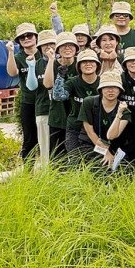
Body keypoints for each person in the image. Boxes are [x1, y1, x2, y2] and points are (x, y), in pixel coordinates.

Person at [76, 71, 133, 168]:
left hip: (113, 145)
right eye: (107, 87)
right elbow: (90, 131)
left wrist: (119, 114)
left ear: (120, 90)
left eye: (115, 87)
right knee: (96, 165)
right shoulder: (88, 102)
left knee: (120, 168)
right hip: (91, 142)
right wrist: (105, 152)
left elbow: (111, 136)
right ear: (101, 89)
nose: (111, 90)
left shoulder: (124, 109)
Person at [52, 49, 100, 159]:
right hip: (75, 127)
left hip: (96, 129)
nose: (88, 64)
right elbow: (58, 96)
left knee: (96, 161)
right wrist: (60, 77)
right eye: (84, 62)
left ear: (97, 65)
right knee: (75, 159)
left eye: (91, 61)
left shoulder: (102, 82)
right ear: (79, 66)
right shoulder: (73, 81)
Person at [6, 22, 41, 162]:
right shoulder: (19, 57)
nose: (26, 38)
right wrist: (10, 52)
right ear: (19, 41)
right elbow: (12, 72)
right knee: (29, 138)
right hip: (28, 102)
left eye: (29, 35)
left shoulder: (43, 53)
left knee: (47, 136)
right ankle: (28, 169)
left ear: (36, 37)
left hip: (46, 102)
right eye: (22, 37)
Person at [43, 32, 80, 161]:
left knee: (77, 155)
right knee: (57, 156)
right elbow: (48, 84)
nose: (67, 48)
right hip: (58, 114)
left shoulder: (81, 64)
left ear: (76, 48)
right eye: (64, 45)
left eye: (71, 45)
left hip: (76, 115)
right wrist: (51, 60)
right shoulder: (53, 64)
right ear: (58, 49)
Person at [26, 30, 56, 166]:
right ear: (40, 47)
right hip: (43, 110)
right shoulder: (37, 64)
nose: (49, 47)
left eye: (52, 43)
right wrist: (31, 67)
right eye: (45, 45)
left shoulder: (62, 62)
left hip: (62, 112)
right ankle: (46, 173)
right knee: (45, 147)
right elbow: (31, 86)